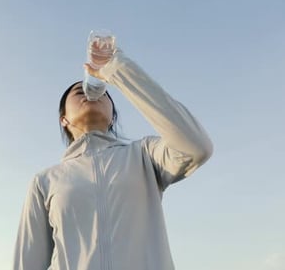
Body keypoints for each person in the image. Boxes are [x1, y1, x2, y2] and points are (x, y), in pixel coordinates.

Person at [13, 40, 213, 270]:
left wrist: (118, 68)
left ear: (112, 117)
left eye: (103, 94)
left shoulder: (144, 155)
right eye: (79, 91)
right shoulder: (45, 181)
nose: (89, 92)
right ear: (63, 119)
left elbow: (196, 147)